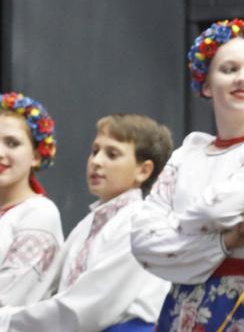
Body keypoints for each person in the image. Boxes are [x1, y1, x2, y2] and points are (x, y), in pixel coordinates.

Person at [131, 19, 244, 332]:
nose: (243, 78)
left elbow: (217, 208)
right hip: (179, 306)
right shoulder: (187, 154)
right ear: (206, 84)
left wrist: (179, 225)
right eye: (229, 69)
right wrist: (230, 238)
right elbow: (143, 240)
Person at [0, 113, 173, 332]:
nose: (96, 161)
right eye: (95, 151)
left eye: (112, 154)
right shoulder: (88, 224)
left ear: (144, 170)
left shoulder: (140, 221)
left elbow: (88, 307)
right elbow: (51, 289)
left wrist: (8, 319)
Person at [0, 92, 62, 307]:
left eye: (12, 143)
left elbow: (8, 298)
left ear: (36, 155)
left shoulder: (39, 213)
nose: (0, 152)